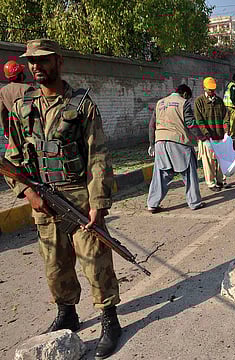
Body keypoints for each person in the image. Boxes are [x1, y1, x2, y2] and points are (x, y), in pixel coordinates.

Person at [4, 39, 121, 359]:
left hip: (78, 196)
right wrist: (28, 193)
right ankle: (67, 311)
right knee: (55, 265)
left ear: (59, 62)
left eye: (43, 60)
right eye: (31, 61)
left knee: (95, 261)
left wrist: (98, 203)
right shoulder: (22, 108)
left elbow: (98, 156)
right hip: (42, 196)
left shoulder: (81, 104)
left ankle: (110, 320)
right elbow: (11, 158)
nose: (35, 66)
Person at [146, 84, 205, 213]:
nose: (188, 100)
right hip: (179, 142)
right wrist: (202, 137)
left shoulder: (160, 103)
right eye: (188, 97)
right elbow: (191, 124)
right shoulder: (183, 103)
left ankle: (152, 204)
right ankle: (194, 202)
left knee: (161, 174)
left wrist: (152, 144)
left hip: (160, 143)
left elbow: (152, 125)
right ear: (185, 94)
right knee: (189, 173)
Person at [194, 77, 229, 192]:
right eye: (210, 90)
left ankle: (220, 181)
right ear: (204, 88)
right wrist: (206, 135)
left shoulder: (219, 101)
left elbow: (225, 117)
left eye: (213, 90)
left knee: (221, 160)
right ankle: (211, 183)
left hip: (220, 136)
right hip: (207, 138)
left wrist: (226, 131)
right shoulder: (199, 101)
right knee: (208, 161)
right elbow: (199, 121)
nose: (212, 92)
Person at [0, 60, 31, 138]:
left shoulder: (3, 91)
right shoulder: (28, 89)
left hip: (13, 131)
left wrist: (6, 130)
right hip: (28, 131)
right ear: (19, 75)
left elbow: (2, 112)